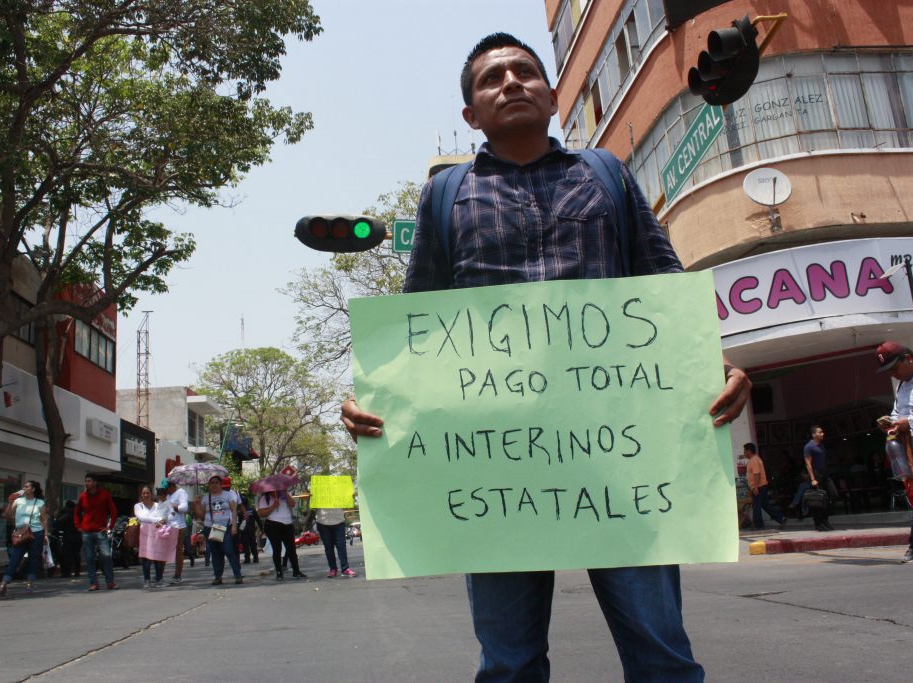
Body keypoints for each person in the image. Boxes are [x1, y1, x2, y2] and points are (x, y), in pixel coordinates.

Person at [339, 32, 751, 682]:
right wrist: (373, 397)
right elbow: (418, 319)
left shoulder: (605, 174)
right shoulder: (446, 195)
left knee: (663, 658)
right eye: (492, 78)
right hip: (494, 474)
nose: (510, 82)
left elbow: (663, 286)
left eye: (524, 72)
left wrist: (713, 364)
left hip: (623, 464)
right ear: (472, 113)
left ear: (554, 97)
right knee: (509, 665)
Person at [875, 342, 913, 574]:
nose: (893, 374)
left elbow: (909, 420)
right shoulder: (902, 387)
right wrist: (891, 422)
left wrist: (910, 423)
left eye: (894, 368)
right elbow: (898, 415)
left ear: (907, 358)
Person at [0, 480, 52, 596]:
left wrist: (45, 534)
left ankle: (29, 583)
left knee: (33, 559)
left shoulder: (39, 502)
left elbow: (44, 519)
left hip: (36, 533)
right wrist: (10, 502)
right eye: (24, 486)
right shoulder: (18, 501)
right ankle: (5, 582)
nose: (24, 488)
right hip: (21, 533)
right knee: (15, 558)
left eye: (27, 487)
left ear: (33, 489)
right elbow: (8, 515)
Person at [194, 475, 243, 585]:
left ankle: (237, 575)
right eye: (212, 483)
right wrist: (197, 505)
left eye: (216, 482)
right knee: (216, 553)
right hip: (212, 528)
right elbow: (201, 515)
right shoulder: (206, 498)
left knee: (229, 550)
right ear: (209, 485)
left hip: (225, 527)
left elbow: (234, 510)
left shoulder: (227, 495)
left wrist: (234, 526)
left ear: (220, 484)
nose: (214, 485)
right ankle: (218, 577)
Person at [74, 474, 118, 591]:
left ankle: (110, 582)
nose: (87, 483)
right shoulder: (83, 496)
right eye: (86, 481)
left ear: (95, 482)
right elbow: (77, 512)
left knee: (106, 555)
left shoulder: (104, 495)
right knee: (89, 557)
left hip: (100, 531)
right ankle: (93, 583)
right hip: (87, 531)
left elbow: (113, 511)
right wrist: (78, 526)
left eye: (89, 481)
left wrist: (110, 526)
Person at [257, 487, 306, 581]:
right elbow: (262, 513)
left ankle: (296, 571)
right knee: (277, 549)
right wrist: (272, 506)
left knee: (291, 549)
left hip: (287, 524)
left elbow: (292, 504)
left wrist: (285, 493)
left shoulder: (285, 495)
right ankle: (279, 572)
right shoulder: (265, 498)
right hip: (272, 525)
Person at [133, 485, 175, 588]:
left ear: (151, 494)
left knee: (158, 557)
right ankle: (147, 580)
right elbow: (142, 517)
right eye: (144, 493)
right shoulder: (138, 506)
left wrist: (163, 519)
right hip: (145, 534)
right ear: (141, 495)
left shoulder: (158, 505)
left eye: (148, 493)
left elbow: (166, 516)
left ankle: (159, 579)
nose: (146, 495)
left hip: (157, 533)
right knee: (146, 557)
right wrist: (157, 519)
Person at [745, 443, 787, 530]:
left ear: (749, 451)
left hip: (759, 487)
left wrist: (756, 487)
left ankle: (759, 525)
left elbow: (757, 474)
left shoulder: (754, 460)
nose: (744, 453)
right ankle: (781, 518)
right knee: (766, 506)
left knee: (756, 507)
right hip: (760, 487)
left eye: (745, 451)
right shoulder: (756, 459)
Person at [803, 425, 836, 531]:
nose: (822, 434)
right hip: (816, 474)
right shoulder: (809, 447)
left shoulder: (821, 445)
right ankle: (818, 523)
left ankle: (825, 520)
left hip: (824, 473)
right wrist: (813, 479)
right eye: (820, 432)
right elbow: (808, 464)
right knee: (818, 499)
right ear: (813, 434)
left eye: (822, 432)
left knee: (832, 495)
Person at [315, 507, 357, 578]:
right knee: (328, 547)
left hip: (338, 520)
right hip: (322, 521)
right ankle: (333, 569)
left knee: (341, 546)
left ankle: (345, 568)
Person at [164, 478, 189, 585]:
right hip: (168, 526)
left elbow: (184, 507)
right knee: (164, 551)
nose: (166, 490)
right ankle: (160, 575)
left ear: (172, 486)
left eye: (167, 488)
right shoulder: (168, 496)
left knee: (178, 551)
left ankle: (178, 575)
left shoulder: (180, 492)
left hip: (178, 526)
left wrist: (175, 507)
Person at [55, 500, 82, 578]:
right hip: (78, 535)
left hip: (68, 536)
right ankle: (77, 571)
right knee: (76, 554)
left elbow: (59, 523)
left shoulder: (67, 514)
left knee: (67, 554)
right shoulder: (79, 514)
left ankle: (67, 572)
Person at [241, 495, 262, 564]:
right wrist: (261, 527)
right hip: (251, 529)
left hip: (244, 530)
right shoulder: (252, 509)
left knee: (246, 544)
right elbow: (258, 519)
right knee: (253, 543)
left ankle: (247, 558)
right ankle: (255, 558)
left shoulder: (240, 510)